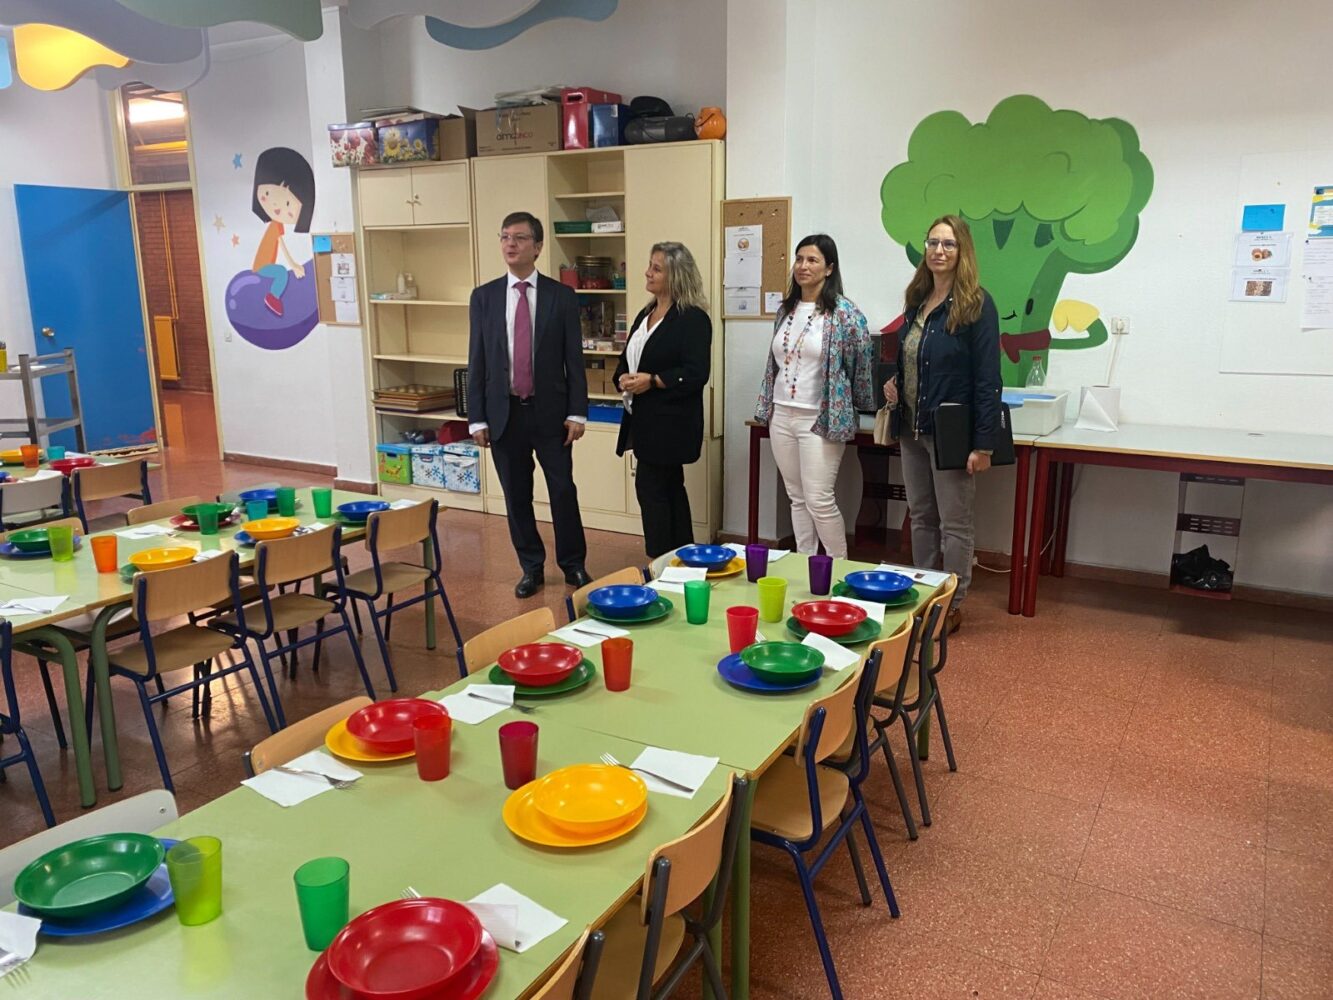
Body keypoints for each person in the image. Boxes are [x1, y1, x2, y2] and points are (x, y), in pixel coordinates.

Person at [882, 214, 1001, 633]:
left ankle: (951, 604)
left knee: (955, 523)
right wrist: (897, 382)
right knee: (920, 516)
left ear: (962, 250)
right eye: (933, 242)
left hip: (952, 433)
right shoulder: (918, 300)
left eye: (948, 244)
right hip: (912, 426)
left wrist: (983, 444)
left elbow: (988, 378)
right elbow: (915, 357)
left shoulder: (977, 305)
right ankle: (923, 595)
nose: (938, 251)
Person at [467, 212, 591, 598]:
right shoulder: (484, 297)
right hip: (504, 413)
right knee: (516, 495)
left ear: (537, 247)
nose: (510, 244)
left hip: (550, 413)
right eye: (505, 236)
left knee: (562, 490)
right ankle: (531, 567)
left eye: (520, 238)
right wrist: (476, 418)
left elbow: (574, 359)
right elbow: (477, 360)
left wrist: (577, 411)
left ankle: (573, 564)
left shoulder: (561, 296)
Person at [754, 234, 873, 559]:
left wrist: (859, 405)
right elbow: (775, 363)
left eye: (812, 260)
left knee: (819, 498)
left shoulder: (845, 313)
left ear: (829, 268)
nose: (803, 266)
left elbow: (862, 364)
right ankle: (804, 564)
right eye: (799, 259)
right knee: (797, 497)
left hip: (820, 417)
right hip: (782, 414)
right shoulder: (786, 310)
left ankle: (837, 567)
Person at [613, 242, 712, 558]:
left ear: (676, 275)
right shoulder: (646, 313)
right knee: (669, 488)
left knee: (651, 489)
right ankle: (681, 555)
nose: (648, 273)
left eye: (656, 268)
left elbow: (696, 372)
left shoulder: (693, 319)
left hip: (671, 423)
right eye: (650, 265)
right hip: (643, 420)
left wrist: (653, 380)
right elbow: (629, 357)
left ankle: (660, 557)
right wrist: (622, 377)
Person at [250, 147, 315, 317]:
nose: (276, 206)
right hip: (261, 265)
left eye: (287, 203)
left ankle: (273, 297)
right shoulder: (275, 226)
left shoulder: (277, 225)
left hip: (264, 264)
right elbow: (283, 247)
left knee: (280, 272)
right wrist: (293, 265)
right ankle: (273, 297)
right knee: (280, 273)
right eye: (267, 193)